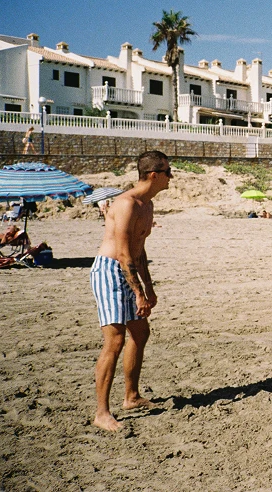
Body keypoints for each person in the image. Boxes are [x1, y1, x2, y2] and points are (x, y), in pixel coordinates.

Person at [90, 150, 171, 432]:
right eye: (167, 172)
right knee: (114, 341)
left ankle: (131, 397)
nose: (170, 178)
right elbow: (124, 253)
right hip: (110, 270)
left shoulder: (146, 205)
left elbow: (140, 250)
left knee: (141, 332)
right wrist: (138, 293)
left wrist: (149, 288)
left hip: (130, 270)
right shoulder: (126, 204)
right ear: (153, 175)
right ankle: (102, 412)